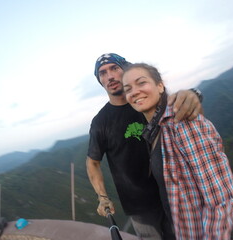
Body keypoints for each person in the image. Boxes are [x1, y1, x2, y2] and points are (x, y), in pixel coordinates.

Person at [86, 53, 203, 239]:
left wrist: (194, 94)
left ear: (125, 70)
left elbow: (176, 103)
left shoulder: (148, 102)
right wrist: (102, 196)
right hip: (139, 206)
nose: (109, 76)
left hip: (175, 193)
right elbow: (93, 162)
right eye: (102, 73)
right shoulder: (101, 122)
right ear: (100, 80)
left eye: (114, 68)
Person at [122, 63, 233, 239]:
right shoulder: (153, 129)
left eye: (141, 83)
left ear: (160, 85)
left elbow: (219, 202)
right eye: (128, 89)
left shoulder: (181, 121)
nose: (134, 91)